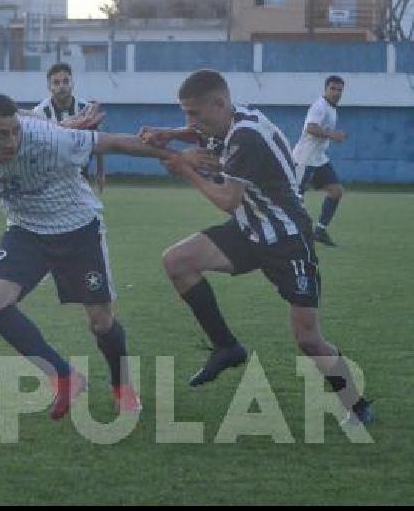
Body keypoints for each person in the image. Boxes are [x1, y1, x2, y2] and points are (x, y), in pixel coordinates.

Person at [0, 93, 214, 420]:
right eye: (1, 135)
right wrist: (58, 120)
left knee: (100, 323)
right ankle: (64, 376)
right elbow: (16, 112)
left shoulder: (52, 141)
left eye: (15, 131)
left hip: (77, 228)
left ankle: (122, 386)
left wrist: (180, 157)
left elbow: (117, 143)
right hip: (26, 231)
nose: (12, 141)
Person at [142, 69, 372, 426]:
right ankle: (227, 347)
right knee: (177, 261)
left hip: (288, 240)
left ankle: (356, 405)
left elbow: (227, 200)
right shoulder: (232, 118)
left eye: (194, 113)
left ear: (219, 104)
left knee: (308, 340)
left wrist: (185, 167)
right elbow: (201, 134)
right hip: (251, 230)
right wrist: (170, 133)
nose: (190, 120)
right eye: (185, 112)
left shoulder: (246, 138)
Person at [33, 62, 106, 192]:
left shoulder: (86, 109)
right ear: (49, 87)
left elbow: (98, 140)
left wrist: (100, 171)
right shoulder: (40, 112)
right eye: (56, 83)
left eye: (66, 81)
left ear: (72, 84)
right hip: (51, 173)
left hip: (80, 171)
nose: (61, 86)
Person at [292, 75, 347, 247]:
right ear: (325, 89)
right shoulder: (320, 106)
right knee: (295, 199)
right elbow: (311, 128)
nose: (336, 92)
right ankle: (293, 237)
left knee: (336, 191)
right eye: (333, 88)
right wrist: (333, 135)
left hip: (319, 160)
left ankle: (320, 232)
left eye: (339, 90)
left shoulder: (332, 108)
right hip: (304, 159)